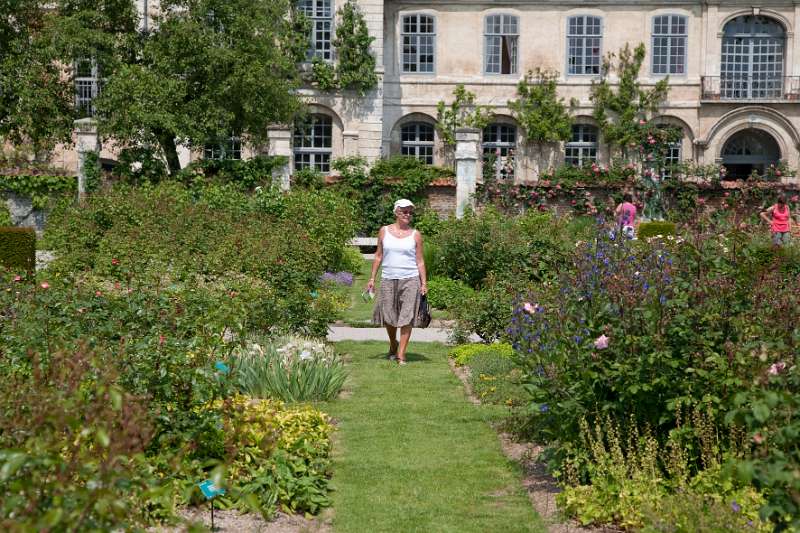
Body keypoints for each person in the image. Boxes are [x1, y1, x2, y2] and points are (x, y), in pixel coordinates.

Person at [366, 199, 427, 365]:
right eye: (404, 211)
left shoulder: (416, 234)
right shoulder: (384, 231)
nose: (408, 215)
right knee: (389, 316)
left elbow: (420, 260)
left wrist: (424, 283)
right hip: (388, 278)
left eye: (410, 212)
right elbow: (378, 255)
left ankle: (401, 354)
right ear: (396, 213)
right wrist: (372, 278)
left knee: (407, 316)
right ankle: (393, 344)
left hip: (410, 279)